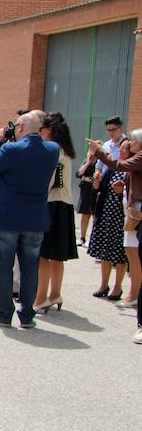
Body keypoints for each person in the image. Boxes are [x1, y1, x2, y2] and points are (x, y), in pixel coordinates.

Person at [0, 111, 59, 328]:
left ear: (21, 127)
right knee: (30, 267)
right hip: (35, 217)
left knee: (4, 266)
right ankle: (27, 315)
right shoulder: (53, 149)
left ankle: (4, 314)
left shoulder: (10, 149)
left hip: (8, 216)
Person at [87, 129, 142, 344]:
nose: (128, 147)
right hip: (131, 214)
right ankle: (132, 293)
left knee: (133, 257)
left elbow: (118, 165)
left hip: (136, 215)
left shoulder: (140, 157)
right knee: (130, 254)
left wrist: (99, 151)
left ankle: (133, 293)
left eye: (132, 144)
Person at [34, 113, 78, 312]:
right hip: (65, 205)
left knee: (43, 254)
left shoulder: (52, 151)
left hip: (51, 203)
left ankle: (41, 297)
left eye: (41, 130)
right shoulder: (65, 151)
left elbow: (52, 181)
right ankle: (55, 294)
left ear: (48, 131)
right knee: (57, 256)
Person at [87, 138, 130, 300]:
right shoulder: (112, 168)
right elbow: (97, 187)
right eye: (121, 149)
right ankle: (103, 285)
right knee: (105, 252)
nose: (121, 152)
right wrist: (96, 182)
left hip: (121, 216)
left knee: (119, 254)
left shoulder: (130, 169)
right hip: (105, 214)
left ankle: (118, 288)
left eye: (125, 149)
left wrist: (122, 191)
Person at [75, 151, 97, 247]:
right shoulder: (86, 162)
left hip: (95, 190)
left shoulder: (100, 163)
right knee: (84, 214)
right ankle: (82, 238)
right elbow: (78, 174)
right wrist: (88, 162)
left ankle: (93, 240)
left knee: (94, 214)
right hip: (85, 189)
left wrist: (89, 179)